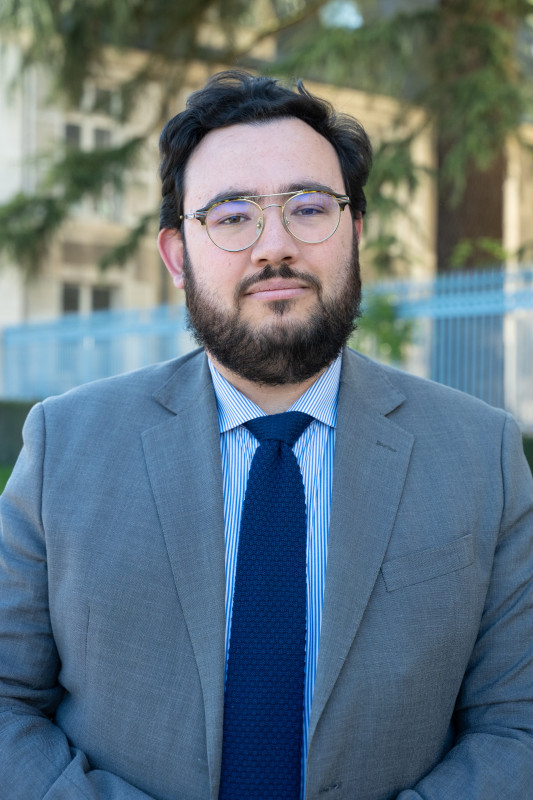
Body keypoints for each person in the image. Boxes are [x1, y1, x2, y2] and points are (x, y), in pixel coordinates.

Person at [0, 70, 532, 800]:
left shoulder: (481, 456)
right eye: (231, 215)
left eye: (308, 208)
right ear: (177, 257)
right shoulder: (65, 445)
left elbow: (516, 724)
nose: (273, 246)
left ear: (355, 234)